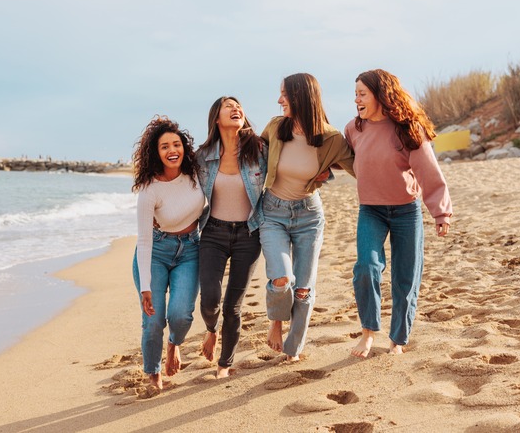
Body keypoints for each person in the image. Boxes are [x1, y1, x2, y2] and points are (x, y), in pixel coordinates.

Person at [344, 69, 452, 358]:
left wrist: (441, 213)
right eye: (355, 94)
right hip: (371, 211)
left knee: (406, 277)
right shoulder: (354, 129)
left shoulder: (408, 129)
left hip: (406, 211)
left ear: (381, 95)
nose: (356, 99)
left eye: (362, 93)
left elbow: (429, 172)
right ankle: (368, 333)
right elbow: (347, 160)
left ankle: (397, 340)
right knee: (366, 267)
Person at [260, 73, 355, 361]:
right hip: (272, 212)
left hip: (309, 217)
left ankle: (293, 350)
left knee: (302, 288)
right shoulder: (276, 128)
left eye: (284, 95)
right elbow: (250, 159)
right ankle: (275, 323)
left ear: (301, 97)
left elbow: (361, 167)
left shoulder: (332, 139)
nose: (279, 101)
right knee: (281, 278)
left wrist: (329, 173)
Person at [131, 115, 205, 389]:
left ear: (184, 147)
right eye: (165, 147)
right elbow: (143, 240)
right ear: (156, 152)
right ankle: (153, 372)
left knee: (181, 315)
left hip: (190, 250)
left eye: (177, 144)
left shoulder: (197, 174)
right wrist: (145, 288)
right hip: (155, 253)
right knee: (152, 321)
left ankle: (174, 344)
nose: (172, 151)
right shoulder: (150, 189)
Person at [195, 96, 267, 378]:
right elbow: (180, 182)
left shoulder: (260, 149)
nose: (236, 109)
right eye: (229, 106)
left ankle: (225, 364)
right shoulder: (202, 156)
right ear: (216, 118)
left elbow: (288, 164)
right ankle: (211, 330)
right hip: (213, 232)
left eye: (239, 106)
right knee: (210, 300)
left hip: (249, 234)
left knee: (233, 306)